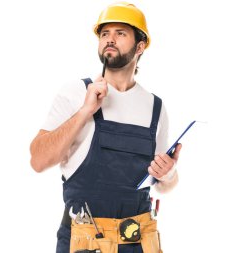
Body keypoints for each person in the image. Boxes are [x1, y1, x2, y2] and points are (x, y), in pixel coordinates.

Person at [30, 2, 182, 252]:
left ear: (140, 46)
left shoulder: (155, 107)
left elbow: (164, 185)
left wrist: (169, 174)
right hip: (84, 240)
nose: (110, 40)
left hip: (139, 240)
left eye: (120, 33)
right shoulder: (76, 93)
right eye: (104, 34)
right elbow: (38, 160)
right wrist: (85, 111)